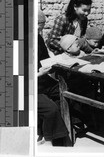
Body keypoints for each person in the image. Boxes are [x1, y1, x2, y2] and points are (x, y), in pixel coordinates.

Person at [37, 10, 70, 146]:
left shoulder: (37, 38)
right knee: (51, 109)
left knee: (66, 93)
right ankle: (50, 141)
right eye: (38, 25)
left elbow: (44, 59)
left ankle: (50, 131)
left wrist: (55, 61)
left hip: (43, 79)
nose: (40, 30)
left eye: (42, 26)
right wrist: (39, 73)